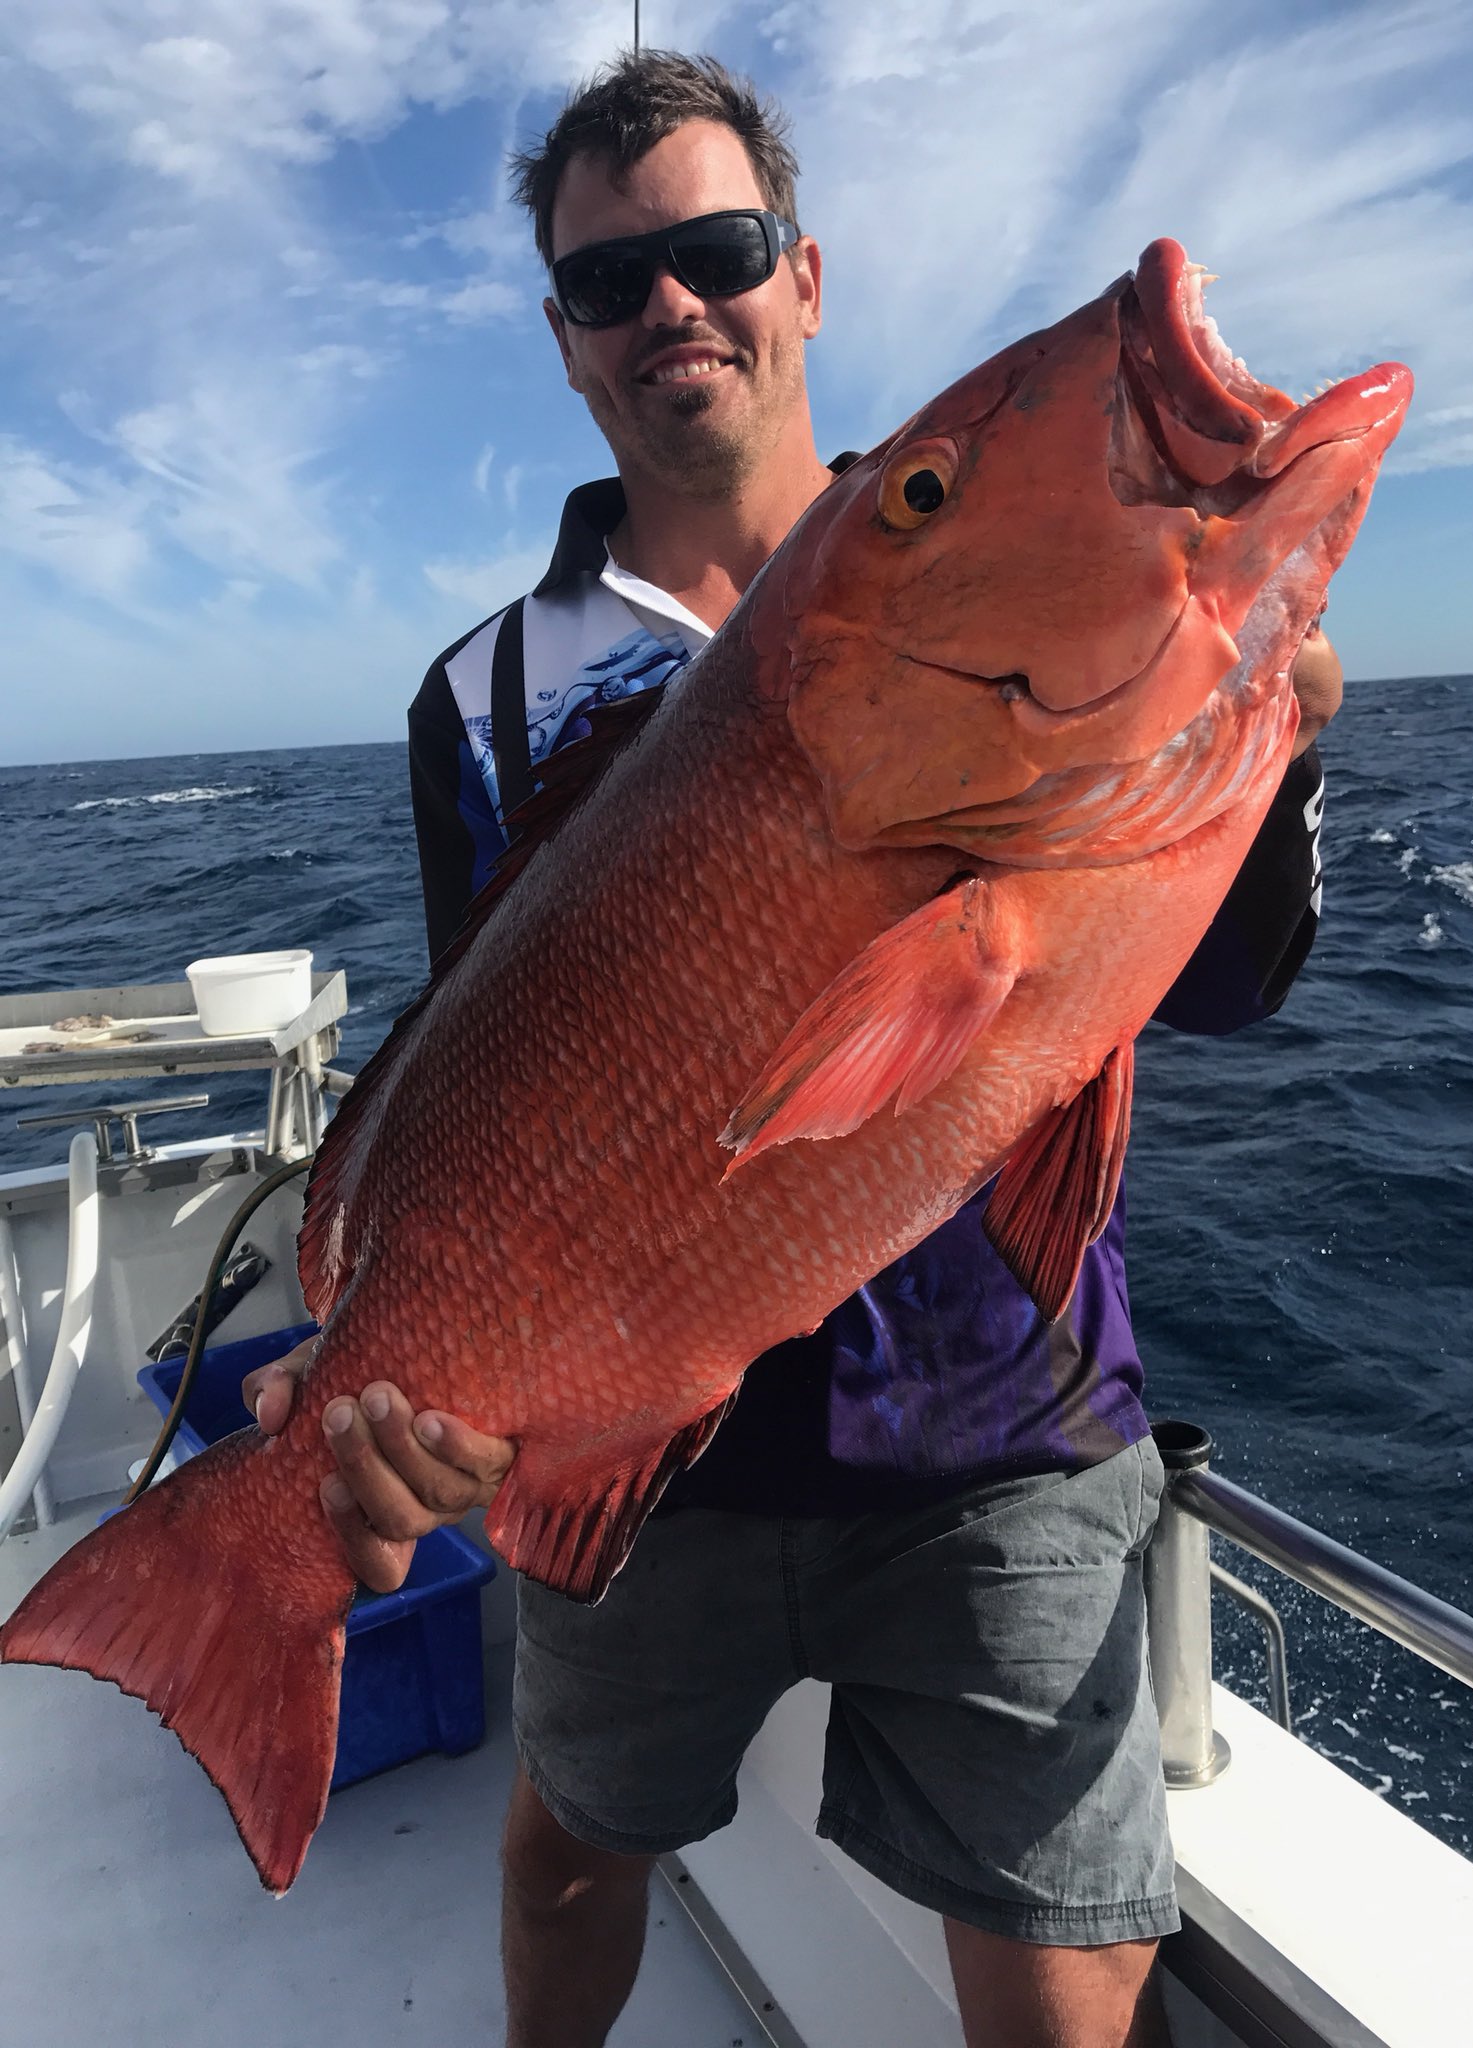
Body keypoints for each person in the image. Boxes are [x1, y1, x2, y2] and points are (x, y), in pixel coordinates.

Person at [246, 50, 1344, 2048]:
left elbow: (1223, 987)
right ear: (568, 346)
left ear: (806, 278)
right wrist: (392, 1386)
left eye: (718, 246)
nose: (673, 299)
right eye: (610, 279)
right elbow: (482, 1082)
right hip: (655, 1456)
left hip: (1001, 1415)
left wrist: (1255, 759)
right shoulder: (484, 687)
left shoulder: (994, 568)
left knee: (1063, 1952)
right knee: (567, 1852)